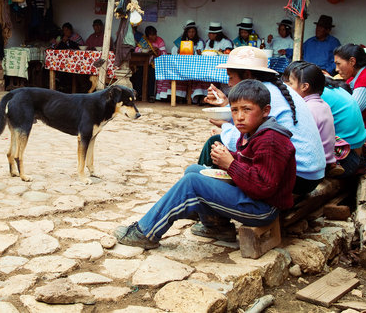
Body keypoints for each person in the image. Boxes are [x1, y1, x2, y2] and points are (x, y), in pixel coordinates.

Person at [113, 79, 296, 248]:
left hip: (263, 209)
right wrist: (228, 156)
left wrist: (230, 164)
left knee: (192, 182)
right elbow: (250, 163)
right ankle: (217, 226)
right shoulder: (253, 131)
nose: (239, 116)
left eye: (246, 110)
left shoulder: (271, 139)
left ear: (265, 111)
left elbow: (264, 187)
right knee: (194, 170)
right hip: (252, 199)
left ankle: (146, 233)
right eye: (234, 110)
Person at [198, 47, 326, 195]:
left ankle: (205, 191)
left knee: (216, 143)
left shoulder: (265, 95)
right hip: (311, 173)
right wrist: (226, 105)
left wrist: (225, 128)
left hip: (298, 175)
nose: (229, 83)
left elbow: (239, 141)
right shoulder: (272, 89)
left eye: (231, 77)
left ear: (246, 74)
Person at [282, 62, 339, 175]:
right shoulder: (323, 105)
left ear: (304, 86)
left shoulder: (306, 109)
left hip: (315, 165)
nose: (288, 88)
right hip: (326, 160)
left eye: (291, 83)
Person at [166, 20, 208, 104]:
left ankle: (192, 97)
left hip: (195, 66)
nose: (191, 34)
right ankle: (178, 96)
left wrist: (198, 53)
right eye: (189, 32)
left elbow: (201, 54)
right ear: (186, 32)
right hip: (182, 65)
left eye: (193, 32)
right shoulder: (180, 41)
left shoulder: (199, 42)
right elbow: (173, 52)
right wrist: (178, 52)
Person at [132, 25, 166, 102]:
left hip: (155, 64)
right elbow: (136, 49)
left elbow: (164, 53)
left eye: (155, 34)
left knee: (151, 74)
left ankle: (151, 95)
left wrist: (158, 51)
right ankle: (139, 94)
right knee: (138, 73)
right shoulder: (143, 40)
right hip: (144, 63)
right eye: (152, 35)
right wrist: (144, 50)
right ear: (147, 36)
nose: (154, 36)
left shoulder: (160, 40)